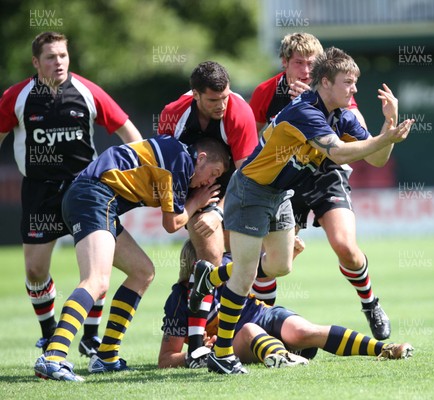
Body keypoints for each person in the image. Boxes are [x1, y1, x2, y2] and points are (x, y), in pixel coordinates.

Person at [208, 46, 414, 374]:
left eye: (356, 82)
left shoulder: (342, 115)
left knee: (280, 266)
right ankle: (221, 353)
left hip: (279, 194)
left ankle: (211, 276)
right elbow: (339, 154)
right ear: (326, 83)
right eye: (348, 82)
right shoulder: (304, 111)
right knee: (246, 273)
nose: (355, 89)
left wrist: (388, 125)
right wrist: (384, 136)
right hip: (251, 190)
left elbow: (376, 159)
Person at [33, 135, 230, 381]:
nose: (210, 181)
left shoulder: (177, 155)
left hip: (93, 198)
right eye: (214, 172)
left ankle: (106, 357)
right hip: (94, 196)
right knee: (96, 281)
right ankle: (53, 356)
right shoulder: (182, 162)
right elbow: (172, 224)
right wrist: (197, 202)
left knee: (142, 271)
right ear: (200, 158)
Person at [0, 31, 143, 357]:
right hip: (39, 192)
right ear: (36, 62)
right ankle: (50, 333)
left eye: (63, 56)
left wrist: (140, 166)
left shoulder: (86, 90)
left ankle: (90, 337)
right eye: (50, 57)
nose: (58, 62)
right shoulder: (17, 96)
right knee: (35, 270)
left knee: (97, 267)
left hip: (84, 190)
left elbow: (127, 130)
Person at [249, 33, 392, 340]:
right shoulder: (265, 92)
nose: (306, 69)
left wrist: (386, 129)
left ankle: (370, 304)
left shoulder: (332, 91)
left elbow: (358, 133)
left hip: (327, 169)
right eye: (299, 62)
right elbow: (254, 138)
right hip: (286, 177)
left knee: (346, 248)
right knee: (275, 261)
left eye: (312, 63)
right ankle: (260, 323)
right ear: (285, 63)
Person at [158, 241, 413, 369]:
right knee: (248, 331)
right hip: (237, 340)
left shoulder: (227, 266)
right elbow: (166, 359)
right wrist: (200, 352)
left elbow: (265, 271)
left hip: (264, 315)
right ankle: (282, 357)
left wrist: (290, 255)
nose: (222, 260)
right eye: (212, 260)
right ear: (194, 266)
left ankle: (384, 348)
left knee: (304, 331)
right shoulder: (178, 300)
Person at [158, 61, 258, 268]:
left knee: (240, 258)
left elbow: (246, 175)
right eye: (213, 100)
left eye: (225, 97)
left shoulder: (240, 113)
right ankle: (196, 291)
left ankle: (226, 297)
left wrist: (218, 212)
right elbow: (166, 171)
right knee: (211, 256)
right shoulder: (172, 115)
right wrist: (193, 204)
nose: (221, 105)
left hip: (233, 181)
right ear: (196, 94)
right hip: (192, 184)